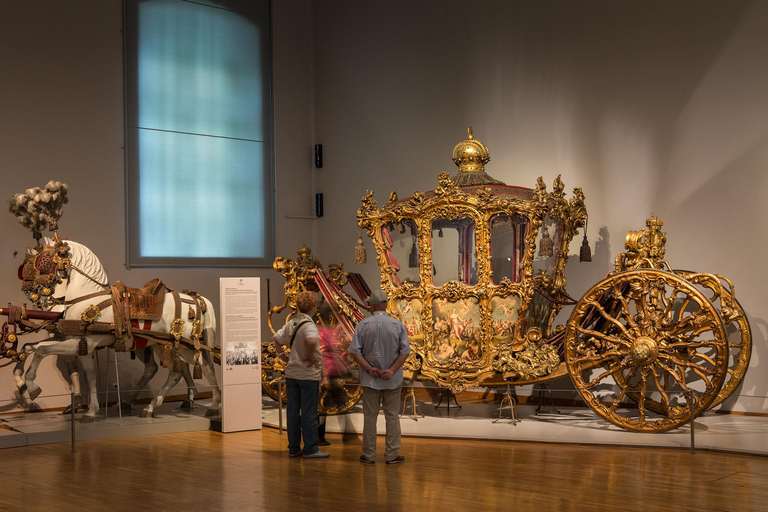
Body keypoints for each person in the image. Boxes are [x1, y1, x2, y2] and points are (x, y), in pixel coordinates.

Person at [349, 289, 410, 465]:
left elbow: (354, 352)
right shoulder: (398, 325)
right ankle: (391, 455)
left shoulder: (362, 325)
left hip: (370, 379)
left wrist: (368, 368)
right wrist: (391, 370)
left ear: (373, 305)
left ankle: (369, 455)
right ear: (386, 304)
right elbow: (404, 352)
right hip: (392, 379)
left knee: (370, 416)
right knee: (392, 416)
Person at [272, 290, 328, 459]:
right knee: (310, 412)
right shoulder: (310, 325)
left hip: (292, 373)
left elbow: (276, 339)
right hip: (308, 374)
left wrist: (282, 356)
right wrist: (311, 355)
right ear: (313, 306)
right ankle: (310, 448)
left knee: (292, 412)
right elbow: (311, 340)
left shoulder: (292, 323)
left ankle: (294, 447)